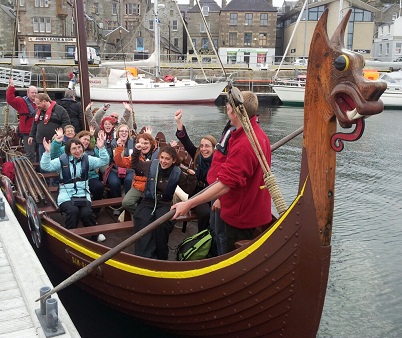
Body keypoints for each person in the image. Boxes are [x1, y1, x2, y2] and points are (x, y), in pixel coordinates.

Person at [172, 91, 272, 253]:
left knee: (226, 251)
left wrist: (188, 204)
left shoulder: (244, 145)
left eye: (228, 107)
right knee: (219, 237)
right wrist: (221, 199)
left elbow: (225, 184)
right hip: (239, 206)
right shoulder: (257, 135)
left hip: (239, 217)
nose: (226, 109)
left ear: (233, 111)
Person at [40, 133, 109, 238]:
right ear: (69, 151)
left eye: (79, 147)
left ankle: (94, 235)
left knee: (86, 213)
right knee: (73, 211)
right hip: (65, 194)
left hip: (83, 193)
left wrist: (102, 148)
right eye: (74, 149)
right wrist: (47, 152)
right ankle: (70, 236)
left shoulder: (87, 159)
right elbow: (46, 166)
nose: (78, 150)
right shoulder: (62, 160)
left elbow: (104, 161)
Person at [134, 146, 197, 260]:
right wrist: (136, 151)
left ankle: (161, 256)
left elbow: (188, 189)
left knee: (162, 225)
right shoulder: (151, 165)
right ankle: (144, 256)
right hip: (148, 202)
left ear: (173, 160)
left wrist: (192, 177)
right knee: (143, 221)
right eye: (162, 158)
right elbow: (136, 166)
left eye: (167, 159)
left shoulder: (177, 173)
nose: (163, 161)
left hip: (164, 203)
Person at [174, 109, 217, 232]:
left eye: (207, 146)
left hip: (213, 194)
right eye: (202, 146)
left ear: (214, 148)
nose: (203, 149)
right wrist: (178, 122)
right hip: (196, 193)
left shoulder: (218, 161)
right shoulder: (197, 155)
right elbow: (185, 140)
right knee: (204, 213)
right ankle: (202, 235)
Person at [50, 126, 106, 220]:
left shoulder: (92, 149)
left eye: (88, 140)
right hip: (72, 178)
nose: (86, 142)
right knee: (73, 206)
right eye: (84, 139)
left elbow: (102, 160)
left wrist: (101, 148)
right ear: (78, 139)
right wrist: (56, 142)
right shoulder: (67, 148)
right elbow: (54, 155)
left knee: (99, 187)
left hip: (90, 176)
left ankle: (95, 211)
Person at [114, 130, 159, 217]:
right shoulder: (135, 157)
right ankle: (143, 216)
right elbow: (120, 163)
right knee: (126, 202)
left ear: (151, 144)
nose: (143, 146)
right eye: (141, 143)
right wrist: (119, 148)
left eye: (146, 143)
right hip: (138, 186)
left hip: (154, 186)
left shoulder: (158, 155)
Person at [28, 93, 71, 163]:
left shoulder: (60, 110)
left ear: (44, 101)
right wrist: (31, 136)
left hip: (55, 142)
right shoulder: (37, 111)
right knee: (43, 161)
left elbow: (66, 123)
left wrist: (59, 133)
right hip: (41, 142)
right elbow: (34, 124)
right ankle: (43, 173)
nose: (37, 106)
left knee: (55, 161)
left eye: (38, 104)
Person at [6, 77, 38, 162]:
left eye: (35, 93)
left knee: (40, 153)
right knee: (30, 154)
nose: (34, 94)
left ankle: (41, 170)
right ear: (28, 93)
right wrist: (12, 87)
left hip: (39, 132)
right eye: (32, 93)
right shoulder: (21, 102)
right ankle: (31, 171)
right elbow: (10, 99)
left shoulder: (39, 102)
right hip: (27, 132)